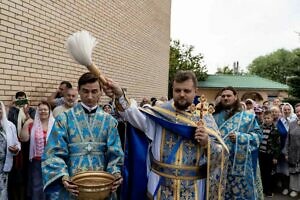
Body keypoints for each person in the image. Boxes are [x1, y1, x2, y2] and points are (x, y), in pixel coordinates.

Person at [104, 70, 228, 199]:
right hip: (160, 186)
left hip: (194, 188)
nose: (181, 94)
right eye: (177, 90)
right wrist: (119, 95)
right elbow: (132, 114)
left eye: (187, 91)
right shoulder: (160, 114)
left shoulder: (205, 119)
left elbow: (222, 152)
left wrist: (207, 143)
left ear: (195, 91)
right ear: (172, 89)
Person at [42, 72, 124, 199]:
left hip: (102, 186)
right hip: (73, 185)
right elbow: (53, 153)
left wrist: (116, 173)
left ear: (101, 92)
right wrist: (63, 176)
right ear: (78, 91)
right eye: (85, 91)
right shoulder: (64, 119)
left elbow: (115, 154)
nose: (90, 97)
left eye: (94, 91)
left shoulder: (110, 121)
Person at [213, 86, 263, 200]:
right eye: (223, 96)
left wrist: (241, 137)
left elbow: (258, 136)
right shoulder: (213, 117)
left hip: (241, 166)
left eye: (229, 96)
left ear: (235, 97)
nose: (226, 98)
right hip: (219, 163)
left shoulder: (247, 117)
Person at [19, 101, 55, 200]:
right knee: (37, 185)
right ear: (37, 111)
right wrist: (26, 123)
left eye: (45, 109)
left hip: (52, 160)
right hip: (37, 161)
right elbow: (24, 138)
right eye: (40, 109)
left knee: (51, 185)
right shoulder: (32, 125)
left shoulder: (55, 124)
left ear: (49, 111)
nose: (43, 111)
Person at [7, 91, 35, 200]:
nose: (21, 101)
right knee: (17, 171)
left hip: (28, 144)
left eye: (23, 99)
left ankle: (27, 194)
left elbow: (34, 123)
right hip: (16, 143)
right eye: (19, 99)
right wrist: (13, 107)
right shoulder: (12, 111)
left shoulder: (31, 110)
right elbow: (10, 123)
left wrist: (27, 114)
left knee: (27, 170)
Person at [0, 101, 21, 200]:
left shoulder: (10, 126)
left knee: (2, 191)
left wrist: (16, 149)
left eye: (0, 108)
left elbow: (17, 143)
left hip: (4, 166)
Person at [259, 110, 280, 197]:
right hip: (261, 153)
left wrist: (275, 157)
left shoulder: (275, 129)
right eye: (265, 118)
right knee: (261, 172)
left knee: (268, 173)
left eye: (269, 118)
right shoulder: (260, 127)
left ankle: (268, 190)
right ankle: (262, 189)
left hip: (269, 155)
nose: (267, 120)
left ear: (272, 119)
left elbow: (277, 144)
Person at [283, 103, 300, 198]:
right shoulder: (292, 123)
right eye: (297, 111)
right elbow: (287, 139)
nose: (299, 113)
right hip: (293, 151)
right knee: (294, 172)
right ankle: (295, 189)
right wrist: (286, 152)